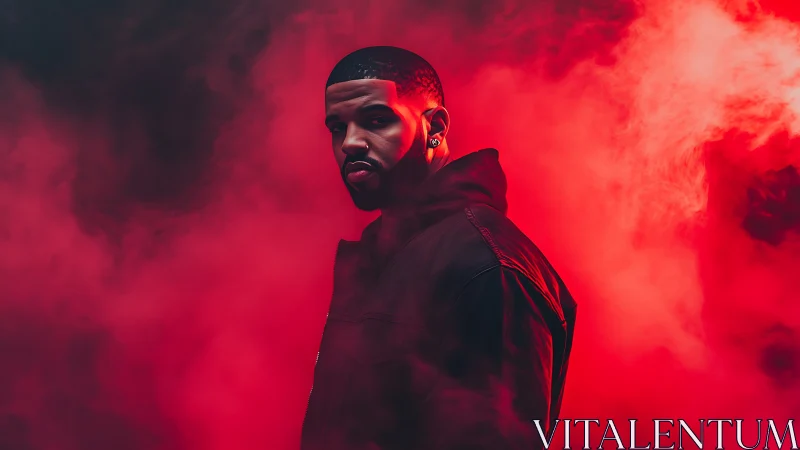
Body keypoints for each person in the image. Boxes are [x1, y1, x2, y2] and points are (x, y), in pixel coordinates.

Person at [301, 46, 577, 450]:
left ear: (436, 128)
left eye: (377, 121)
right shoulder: (384, 255)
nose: (350, 144)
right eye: (337, 128)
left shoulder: (486, 265)